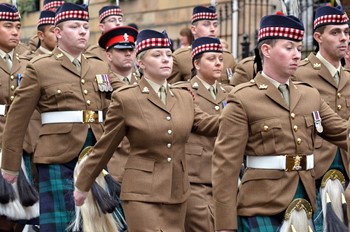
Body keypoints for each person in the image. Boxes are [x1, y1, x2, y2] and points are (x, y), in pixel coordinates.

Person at [212, 12, 349, 231]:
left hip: (305, 201)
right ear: (266, 50)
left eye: (297, 47)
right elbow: (225, 167)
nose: (297, 54)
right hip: (261, 203)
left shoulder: (310, 95)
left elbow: (343, 132)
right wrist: (225, 226)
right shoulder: (242, 98)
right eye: (289, 48)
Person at [74, 29, 219, 231]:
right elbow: (106, 146)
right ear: (140, 63)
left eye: (168, 54)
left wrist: (240, 115)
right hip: (140, 194)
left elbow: (208, 124)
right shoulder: (126, 98)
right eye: (157, 55)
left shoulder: (184, 96)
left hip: (177, 192)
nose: (166, 59)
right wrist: (83, 184)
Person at [0, 3, 115, 231]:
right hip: (57, 154)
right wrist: (10, 166)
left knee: (98, 225)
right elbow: (18, 118)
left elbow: (116, 103)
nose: (83, 31)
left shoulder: (99, 65)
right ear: (59, 32)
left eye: (85, 26)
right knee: (61, 225)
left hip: (96, 153)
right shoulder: (40, 67)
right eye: (74, 26)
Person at [292, 5, 350, 231]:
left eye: (346, 32)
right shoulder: (299, 73)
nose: (343, 38)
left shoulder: (347, 78)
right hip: (311, 173)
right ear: (318, 37)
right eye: (335, 32)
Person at [174, 36, 232, 232]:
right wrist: (238, 122)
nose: (218, 63)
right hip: (196, 179)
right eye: (211, 58)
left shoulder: (231, 93)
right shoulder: (183, 92)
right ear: (196, 64)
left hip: (227, 177)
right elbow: (201, 122)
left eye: (220, 58)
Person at [0, 4, 37, 232]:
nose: (15, 31)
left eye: (18, 27)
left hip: (26, 141)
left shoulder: (29, 60)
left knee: (25, 214)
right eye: (7, 26)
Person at [98, 26, 140, 182]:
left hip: (142, 158)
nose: (128, 53)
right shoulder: (100, 83)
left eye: (131, 49)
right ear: (109, 55)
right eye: (121, 50)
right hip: (114, 158)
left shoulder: (145, 82)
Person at [168, 5, 236, 85]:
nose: (212, 29)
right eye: (206, 24)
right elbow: (172, 93)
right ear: (194, 29)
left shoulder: (228, 58)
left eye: (215, 25)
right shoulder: (180, 58)